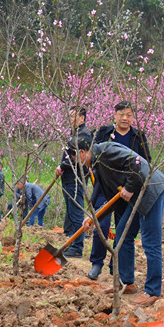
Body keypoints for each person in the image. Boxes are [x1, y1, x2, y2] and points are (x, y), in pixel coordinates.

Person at [60, 135, 164, 307]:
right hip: (137, 195)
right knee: (122, 236)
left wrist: (129, 187)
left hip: (151, 189)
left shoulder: (106, 151)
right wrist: (95, 218)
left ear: (82, 152)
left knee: (150, 242)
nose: (75, 162)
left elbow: (136, 162)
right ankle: (126, 282)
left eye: (74, 158)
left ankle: (153, 291)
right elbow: (111, 199)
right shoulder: (97, 165)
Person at [86, 100, 152, 280]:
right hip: (104, 186)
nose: (125, 118)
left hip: (128, 190)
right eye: (121, 114)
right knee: (101, 223)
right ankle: (97, 263)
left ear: (132, 117)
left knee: (123, 228)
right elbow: (91, 156)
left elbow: (146, 162)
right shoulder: (104, 133)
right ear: (115, 115)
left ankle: (115, 266)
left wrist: (132, 186)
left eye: (129, 115)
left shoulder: (138, 137)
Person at [60, 106, 93, 258]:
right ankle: (72, 243)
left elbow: (78, 159)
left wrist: (61, 165)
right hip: (68, 178)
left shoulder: (84, 136)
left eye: (74, 115)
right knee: (71, 214)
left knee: (76, 213)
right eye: (70, 115)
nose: (71, 118)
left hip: (76, 179)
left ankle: (77, 247)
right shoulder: (74, 134)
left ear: (82, 118)